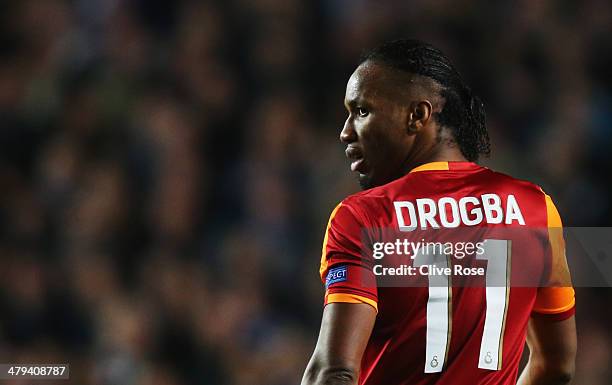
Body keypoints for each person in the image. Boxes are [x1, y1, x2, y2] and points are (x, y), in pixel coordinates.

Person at [301, 39, 576, 385]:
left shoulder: (364, 217)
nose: (345, 132)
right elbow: (558, 366)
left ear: (417, 115)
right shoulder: (535, 207)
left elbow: (335, 371)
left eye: (362, 111)